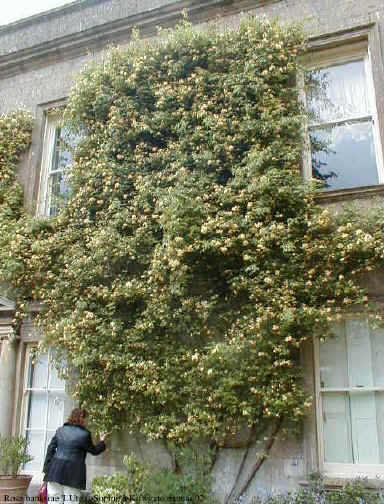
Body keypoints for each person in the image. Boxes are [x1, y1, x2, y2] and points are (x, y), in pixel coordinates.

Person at [43, 408, 106, 503]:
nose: (86, 421)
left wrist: (47, 468)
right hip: (73, 474)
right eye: (86, 419)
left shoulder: (60, 430)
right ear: (82, 419)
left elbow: (50, 449)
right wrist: (102, 442)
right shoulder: (84, 434)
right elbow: (94, 451)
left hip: (54, 472)